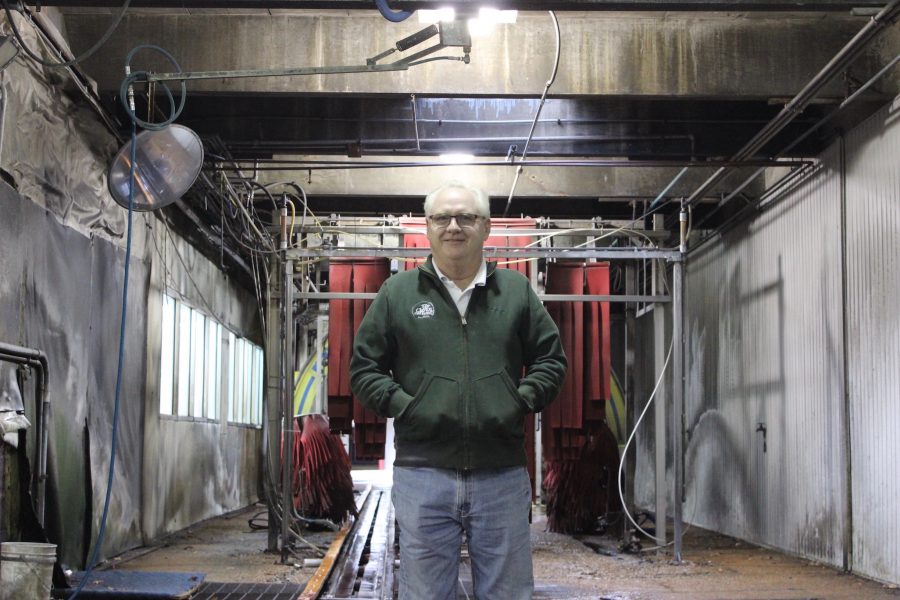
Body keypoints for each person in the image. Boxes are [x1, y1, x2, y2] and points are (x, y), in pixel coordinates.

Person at [349, 181, 567, 600]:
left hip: (501, 476)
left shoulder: (516, 293)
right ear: (427, 227)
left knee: (507, 593)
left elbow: (551, 361)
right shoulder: (398, 294)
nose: (454, 227)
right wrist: (408, 407)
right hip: (422, 475)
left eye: (466, 217)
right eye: (442, 218)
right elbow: (364, 368)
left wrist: (518, 400)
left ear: (485, 228)